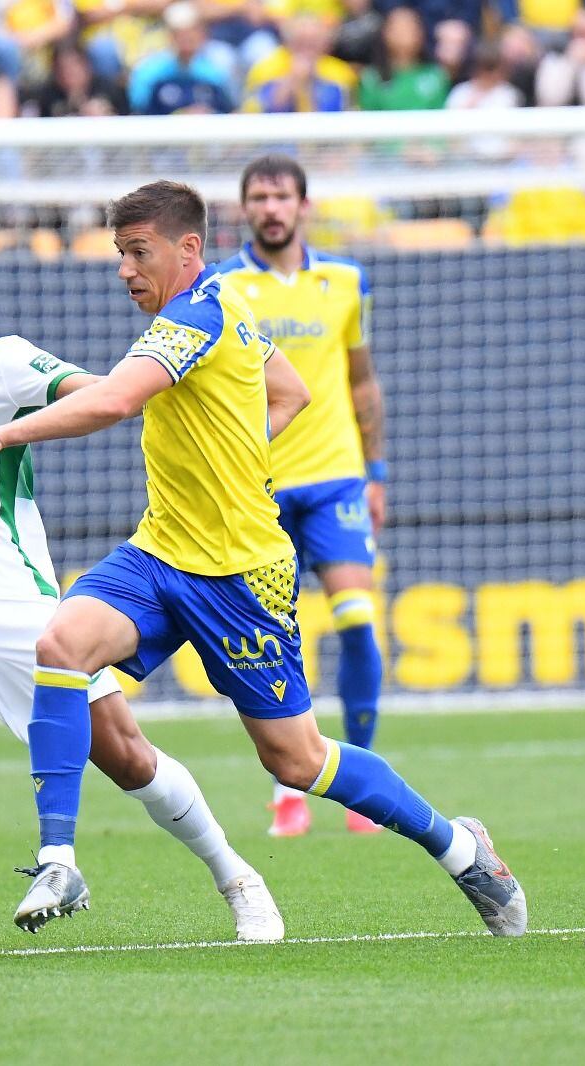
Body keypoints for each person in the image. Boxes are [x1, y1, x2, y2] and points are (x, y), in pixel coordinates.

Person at [0, 181, 527, 938]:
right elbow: (291, 391)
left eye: (138, 252)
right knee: (59, 644)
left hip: (241, 575)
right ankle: (58, 858)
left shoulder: (197, 316)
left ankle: (460, 846)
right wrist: (235, 453)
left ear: (188, 248)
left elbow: (116, 401)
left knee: (296, 761)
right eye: (119, 253)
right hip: (159, 553)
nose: (124, 269)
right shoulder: (229, 304)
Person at [0, 242, 284, 943]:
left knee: (128, 756)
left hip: (16, 607)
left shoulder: (4, 362)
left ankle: (237, 877)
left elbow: (102, 395)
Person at [213, 156, 389, 839]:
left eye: (281, 196)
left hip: (337, 477)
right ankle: (287, 788)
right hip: (259, 485)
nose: (270, 208)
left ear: (303, 205)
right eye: (258, 197)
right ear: (244, 209)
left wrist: (375, 472)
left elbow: (361, 380)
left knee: (357, 622)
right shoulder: (223, 286)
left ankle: (362, 784)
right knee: (269, 641)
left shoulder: (345, 280)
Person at [358, 6, 450, 111]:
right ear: (385, 33)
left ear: (421, 33)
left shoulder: (436, 76)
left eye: (410, 27)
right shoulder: (371, 78)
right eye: (398, 28)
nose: (404, 34)